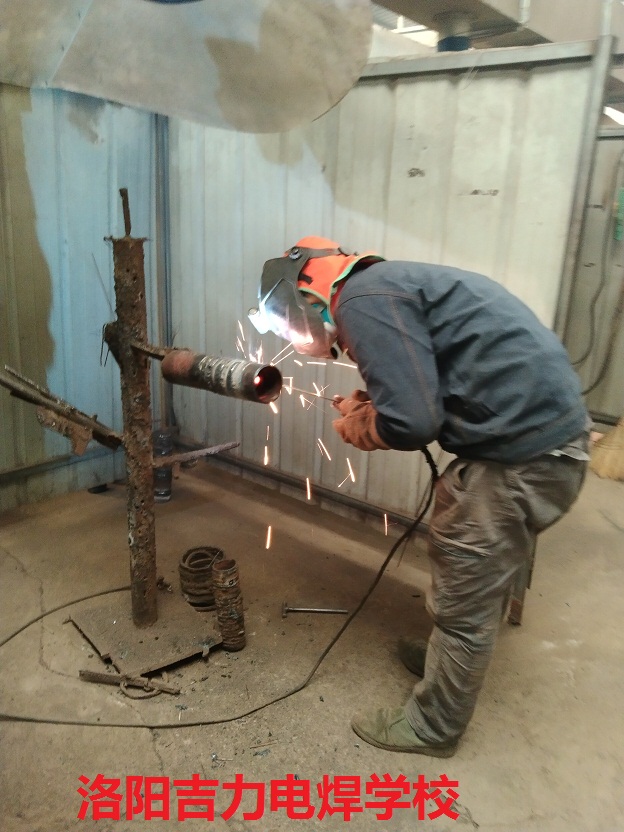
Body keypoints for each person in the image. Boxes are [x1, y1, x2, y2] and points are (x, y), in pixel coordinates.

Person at [249, 236, 589, 757]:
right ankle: (447, 658)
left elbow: (413, 421)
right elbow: (426, 379)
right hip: (539, 441)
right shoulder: (385, 287)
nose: (289, 334)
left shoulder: (360, 302)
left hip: (528, 459)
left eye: (285, 323)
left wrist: (369, 427)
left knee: (465, 583)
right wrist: (377, 404)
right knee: (471, 552)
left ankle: (434, 727)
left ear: (307, 294)